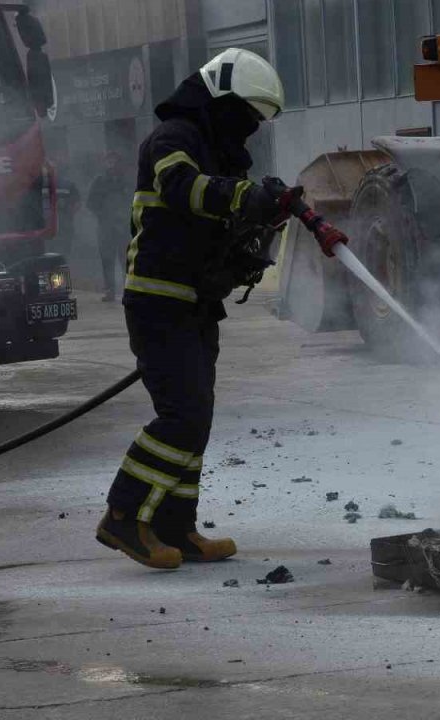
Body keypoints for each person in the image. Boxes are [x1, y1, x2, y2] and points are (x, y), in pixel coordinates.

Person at [94, 49, 342, 569]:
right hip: (158, 302)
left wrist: (247, 246)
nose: (249, 130)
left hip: (196, 305)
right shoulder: (173, 139)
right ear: (221, 101)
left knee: (196, 418)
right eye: (246, 116)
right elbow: (183, 189)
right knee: (180, 414)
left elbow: (221, 218)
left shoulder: (220, 153)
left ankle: (175, 527)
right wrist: (245, 199)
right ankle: (122, 516)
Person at [86, 151, 133, 301]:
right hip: (106, 228)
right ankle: (110, 291)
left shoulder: (126, 182)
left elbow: (134, 200)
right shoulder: (99, 181)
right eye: (110, 162)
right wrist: (103, 215)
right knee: (107, 260)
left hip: (123, 228)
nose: (112, 165)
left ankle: (129, 290)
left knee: (125, 260)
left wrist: (126, 217)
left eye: (115, 162)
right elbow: (90, 203)